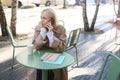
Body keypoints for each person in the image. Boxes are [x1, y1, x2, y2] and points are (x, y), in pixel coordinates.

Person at [32, 8, 68, 80]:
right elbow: (35, 46)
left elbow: (62, 48)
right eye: (41, 17)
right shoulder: (38, 28)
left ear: (52, 20)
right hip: (40, 59)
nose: (41, 20)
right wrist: (42, 34)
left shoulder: (61, 29)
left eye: (44, 18)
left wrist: (51, 36)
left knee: (51, 74)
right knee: (39, 72)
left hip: (56, 62)